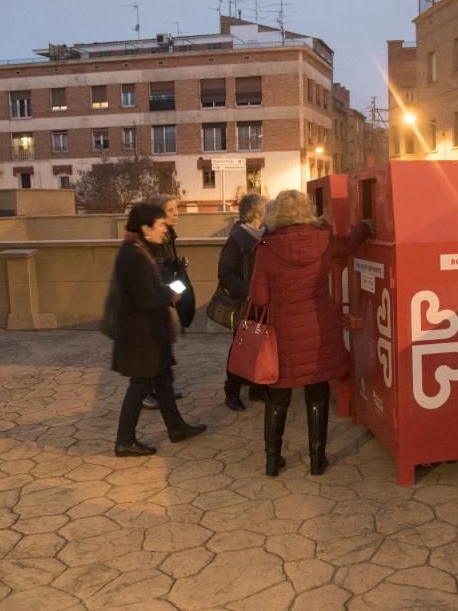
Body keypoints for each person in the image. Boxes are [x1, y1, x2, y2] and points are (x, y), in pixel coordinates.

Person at [248, 190, 372, 476]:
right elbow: (351, 244)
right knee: (317, 394)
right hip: (318, 329)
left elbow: (259, 298)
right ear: (306, 211)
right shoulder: (323, 240)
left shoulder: (266, 248)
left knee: (278, 398)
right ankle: (318, 460)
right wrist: (365, 225)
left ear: (276, 214)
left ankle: (272, 461)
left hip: (282, 335)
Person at [110, 202, 206, 456]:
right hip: (141, 337)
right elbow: (146, 298)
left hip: (150, 334)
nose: (165, 228)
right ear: (145, 227)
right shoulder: (133, 255)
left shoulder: (141, 250)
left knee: (162, 382)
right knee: (139, 386)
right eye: (161, 224)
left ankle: (176, 428)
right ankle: (124, 441)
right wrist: (174, 291)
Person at [217, 193, 268, 411]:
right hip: (245, 304)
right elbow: (225, 272)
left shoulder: (267, 235)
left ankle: (257, 388)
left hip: (265, 304)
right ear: (257, 212)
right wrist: (249, 291)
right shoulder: (237, 240)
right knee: (240, 349)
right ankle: (232, 391)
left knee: (261, 347)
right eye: (266, 207)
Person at [141, 194, 189, 410]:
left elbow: (166, 264)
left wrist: (178, 263)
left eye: (176, 209)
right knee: (154, 350)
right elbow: (157, 270)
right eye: (171, 210)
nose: (176, 213)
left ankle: (163, 391)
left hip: (163, 296)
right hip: (155, 300)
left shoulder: (168, 234)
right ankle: (147, 393)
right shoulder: (153, 238)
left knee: (163, 348)